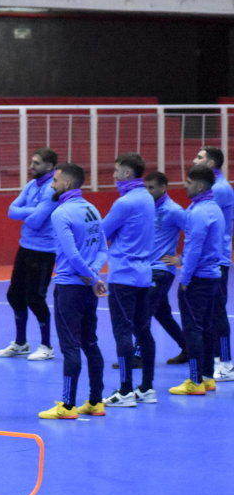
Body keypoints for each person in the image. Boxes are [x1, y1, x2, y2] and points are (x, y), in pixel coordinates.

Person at [38, 163, 109, 419]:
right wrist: (94, 275)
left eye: (55, 180)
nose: (52, 185)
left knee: (70, 348)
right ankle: (96, 401)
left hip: (69, 289)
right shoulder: (92, 209)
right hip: (88, 291)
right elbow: (103, 249)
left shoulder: (61, 213)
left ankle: (67, 407)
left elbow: (71, 254)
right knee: (91, 343)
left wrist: (90, 278)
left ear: (67, 183)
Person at [100, 153, 157, 408]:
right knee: (143, 331)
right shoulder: (147, 197)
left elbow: (103, 231)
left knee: (122, 332)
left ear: (126, 174)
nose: (113, 175)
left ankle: (125, 391)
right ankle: (146, 388)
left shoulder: (124, 202)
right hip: (144, 274)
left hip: (123, 276)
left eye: (116, 170)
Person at [0, 148, 58, 361]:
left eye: (36, 163)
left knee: (35, 297)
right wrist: (33, 211)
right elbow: (11, 210)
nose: (31, 166)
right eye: (32, 162)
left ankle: (47, 345)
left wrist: (28, 213)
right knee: (14, 295)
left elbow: (36, 220)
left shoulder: (52, 189)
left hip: (44, 252)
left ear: (49, 167)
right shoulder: (31, 186)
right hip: (26, 248)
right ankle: (21, 343)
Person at [168, 164, 224, 396]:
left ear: (200, 186)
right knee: (207, 327)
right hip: (213, 277)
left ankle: (194, 380)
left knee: (192, 330)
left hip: (198, 279)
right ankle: (208, 377)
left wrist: (185, 278)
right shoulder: (213, 209)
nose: (185, 185)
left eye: (189, 182)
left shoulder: (200, 212)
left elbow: (193, 249)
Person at [192, 147, 234, 382]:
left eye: (199, 157)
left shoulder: (218, 190)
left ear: (210, 164)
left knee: (217, 312)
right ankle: (213, 357)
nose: (194, 159)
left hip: (216, 260)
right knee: (208, 312)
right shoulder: (215, 186)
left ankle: (226, 363)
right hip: (211, 259)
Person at [144, 171, 188, 364]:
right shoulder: (146, 207)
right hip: (146, 268)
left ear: (163, 188)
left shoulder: (174, 210)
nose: (147, 191)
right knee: (162, 314)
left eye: (151, 187)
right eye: (145, 187)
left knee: (143, 311)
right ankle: (188, 347)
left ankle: (138, 355)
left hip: (162, 270)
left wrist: (182, 258)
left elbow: (197, 232)